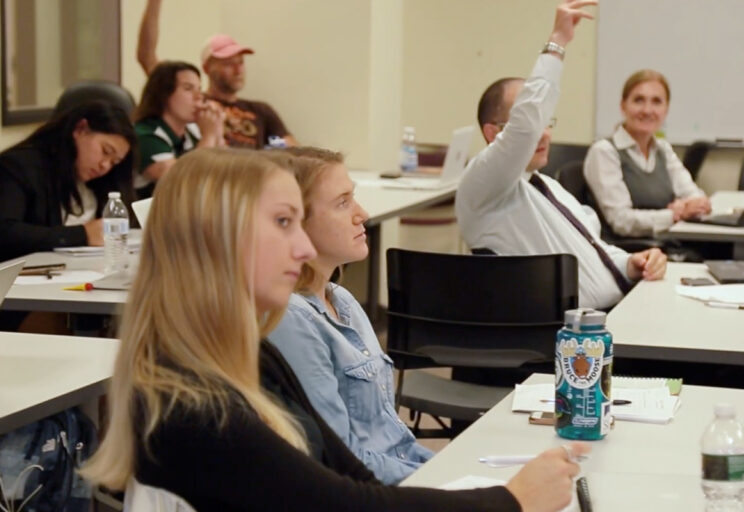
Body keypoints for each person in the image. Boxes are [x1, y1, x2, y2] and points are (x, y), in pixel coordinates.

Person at [81, 147, 588, 512]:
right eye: (283, 224)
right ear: (219, 242)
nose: (302, 250)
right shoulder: (194, 409)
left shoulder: (249, 363)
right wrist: (512, 500)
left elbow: (353, 478)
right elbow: (343, 504)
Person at [456, 0, 667, 311]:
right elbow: (525, 126)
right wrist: (557, 42)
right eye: (535, 122)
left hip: (614, 312)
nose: (544, 133)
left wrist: (632, 263)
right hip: (565, 338)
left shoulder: (545, 184)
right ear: (493, 134)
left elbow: (593, 252)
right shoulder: (484, 186)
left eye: (548, 123)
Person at [267, 147, 432, 485]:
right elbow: (342, 459)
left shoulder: (341, 300)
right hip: (374, 492)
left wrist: (453, 472)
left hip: (402, 474)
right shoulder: (292, 321)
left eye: (353, 198)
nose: (363, 214)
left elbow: (393, 440)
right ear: (295, 222)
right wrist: (441, 483)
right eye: (343, 203)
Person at [0, 101, 135, 269]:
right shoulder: (17, 167)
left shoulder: (100, 183)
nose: (105, 165)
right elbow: (0, 232)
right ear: (80, 129)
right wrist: (82, 234)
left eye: (114, 162)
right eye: (106, 151)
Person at [136, 0, 297, 149]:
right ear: (206, 68)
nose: (238, 70)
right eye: (228, 64)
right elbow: (147, 57)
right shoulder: (193, 103)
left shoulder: (261, 110)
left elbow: (291, 146)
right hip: (212, 170)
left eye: (240, 62)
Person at [583, 69, 710, 238]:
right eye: (638, 100)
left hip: (668, 243)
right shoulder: (604, 151)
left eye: (657, 102)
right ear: (623, 106)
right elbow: (621, 220)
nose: (647, 110)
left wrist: (693, 205)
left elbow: (694, 195)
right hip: (633, 254)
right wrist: (674, 215)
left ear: (666, 110)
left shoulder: (663, 149)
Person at [133, 60, 225, 198]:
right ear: (164, 94)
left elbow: (224, 173)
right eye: (188, 89)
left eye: (199, 89)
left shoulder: (192, 132)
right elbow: (182, 180)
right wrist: (209, 137)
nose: (199, 97)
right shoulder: (144, 134)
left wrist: (218, 132)